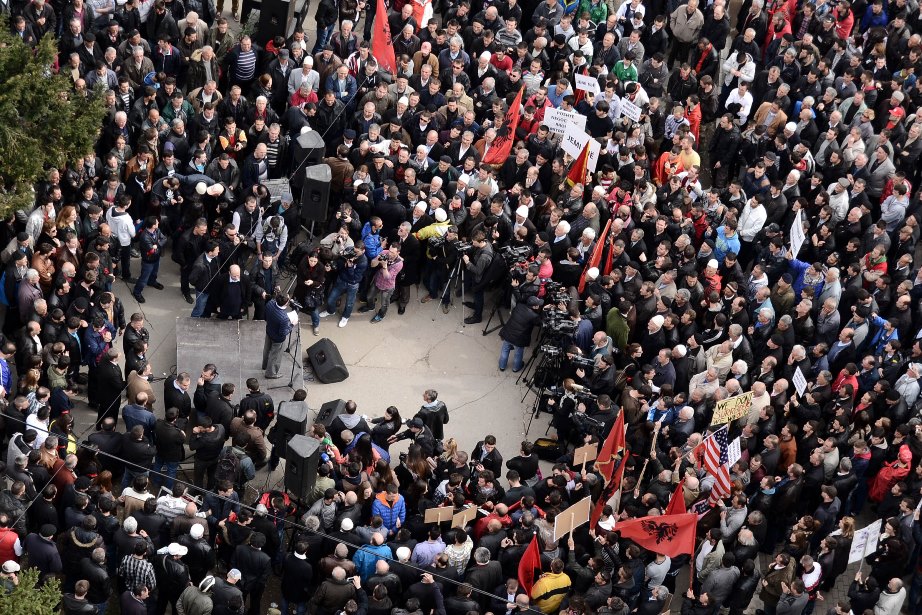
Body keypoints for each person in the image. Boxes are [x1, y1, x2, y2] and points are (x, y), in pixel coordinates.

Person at [262, 292, 294, 380]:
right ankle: (271, 373)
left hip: (269, 331)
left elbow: (265, 317)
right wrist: (291, 325)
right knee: (275, 355)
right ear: (286, 303)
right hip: (277, 339)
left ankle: (264, 365)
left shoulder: (270, 303)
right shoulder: (284, 318)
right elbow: (283, 333)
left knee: (267, 350)